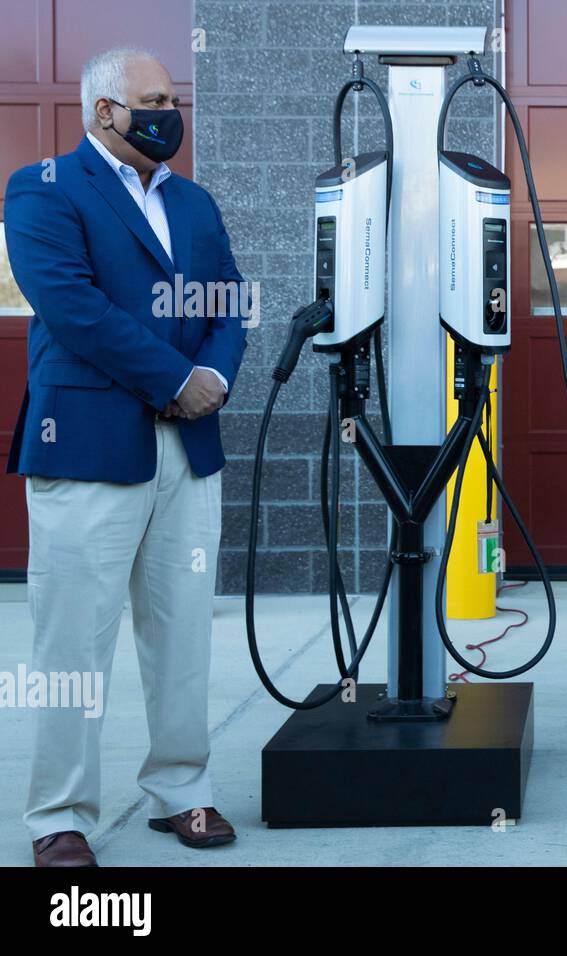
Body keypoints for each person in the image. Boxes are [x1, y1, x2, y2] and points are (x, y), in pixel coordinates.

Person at [5, 47, 249, 867]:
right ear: (104, 111)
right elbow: (74, 309)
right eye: (152, 99)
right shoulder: (41, 191)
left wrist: (213, 374)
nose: (167, 112)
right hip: (86, 448)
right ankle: (60, 815)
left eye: (172, 98)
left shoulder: (195, 201)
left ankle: (182, 788)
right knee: (73, 642)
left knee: (181, 633)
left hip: (188, 452)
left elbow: (227, 299)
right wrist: (175, 378)